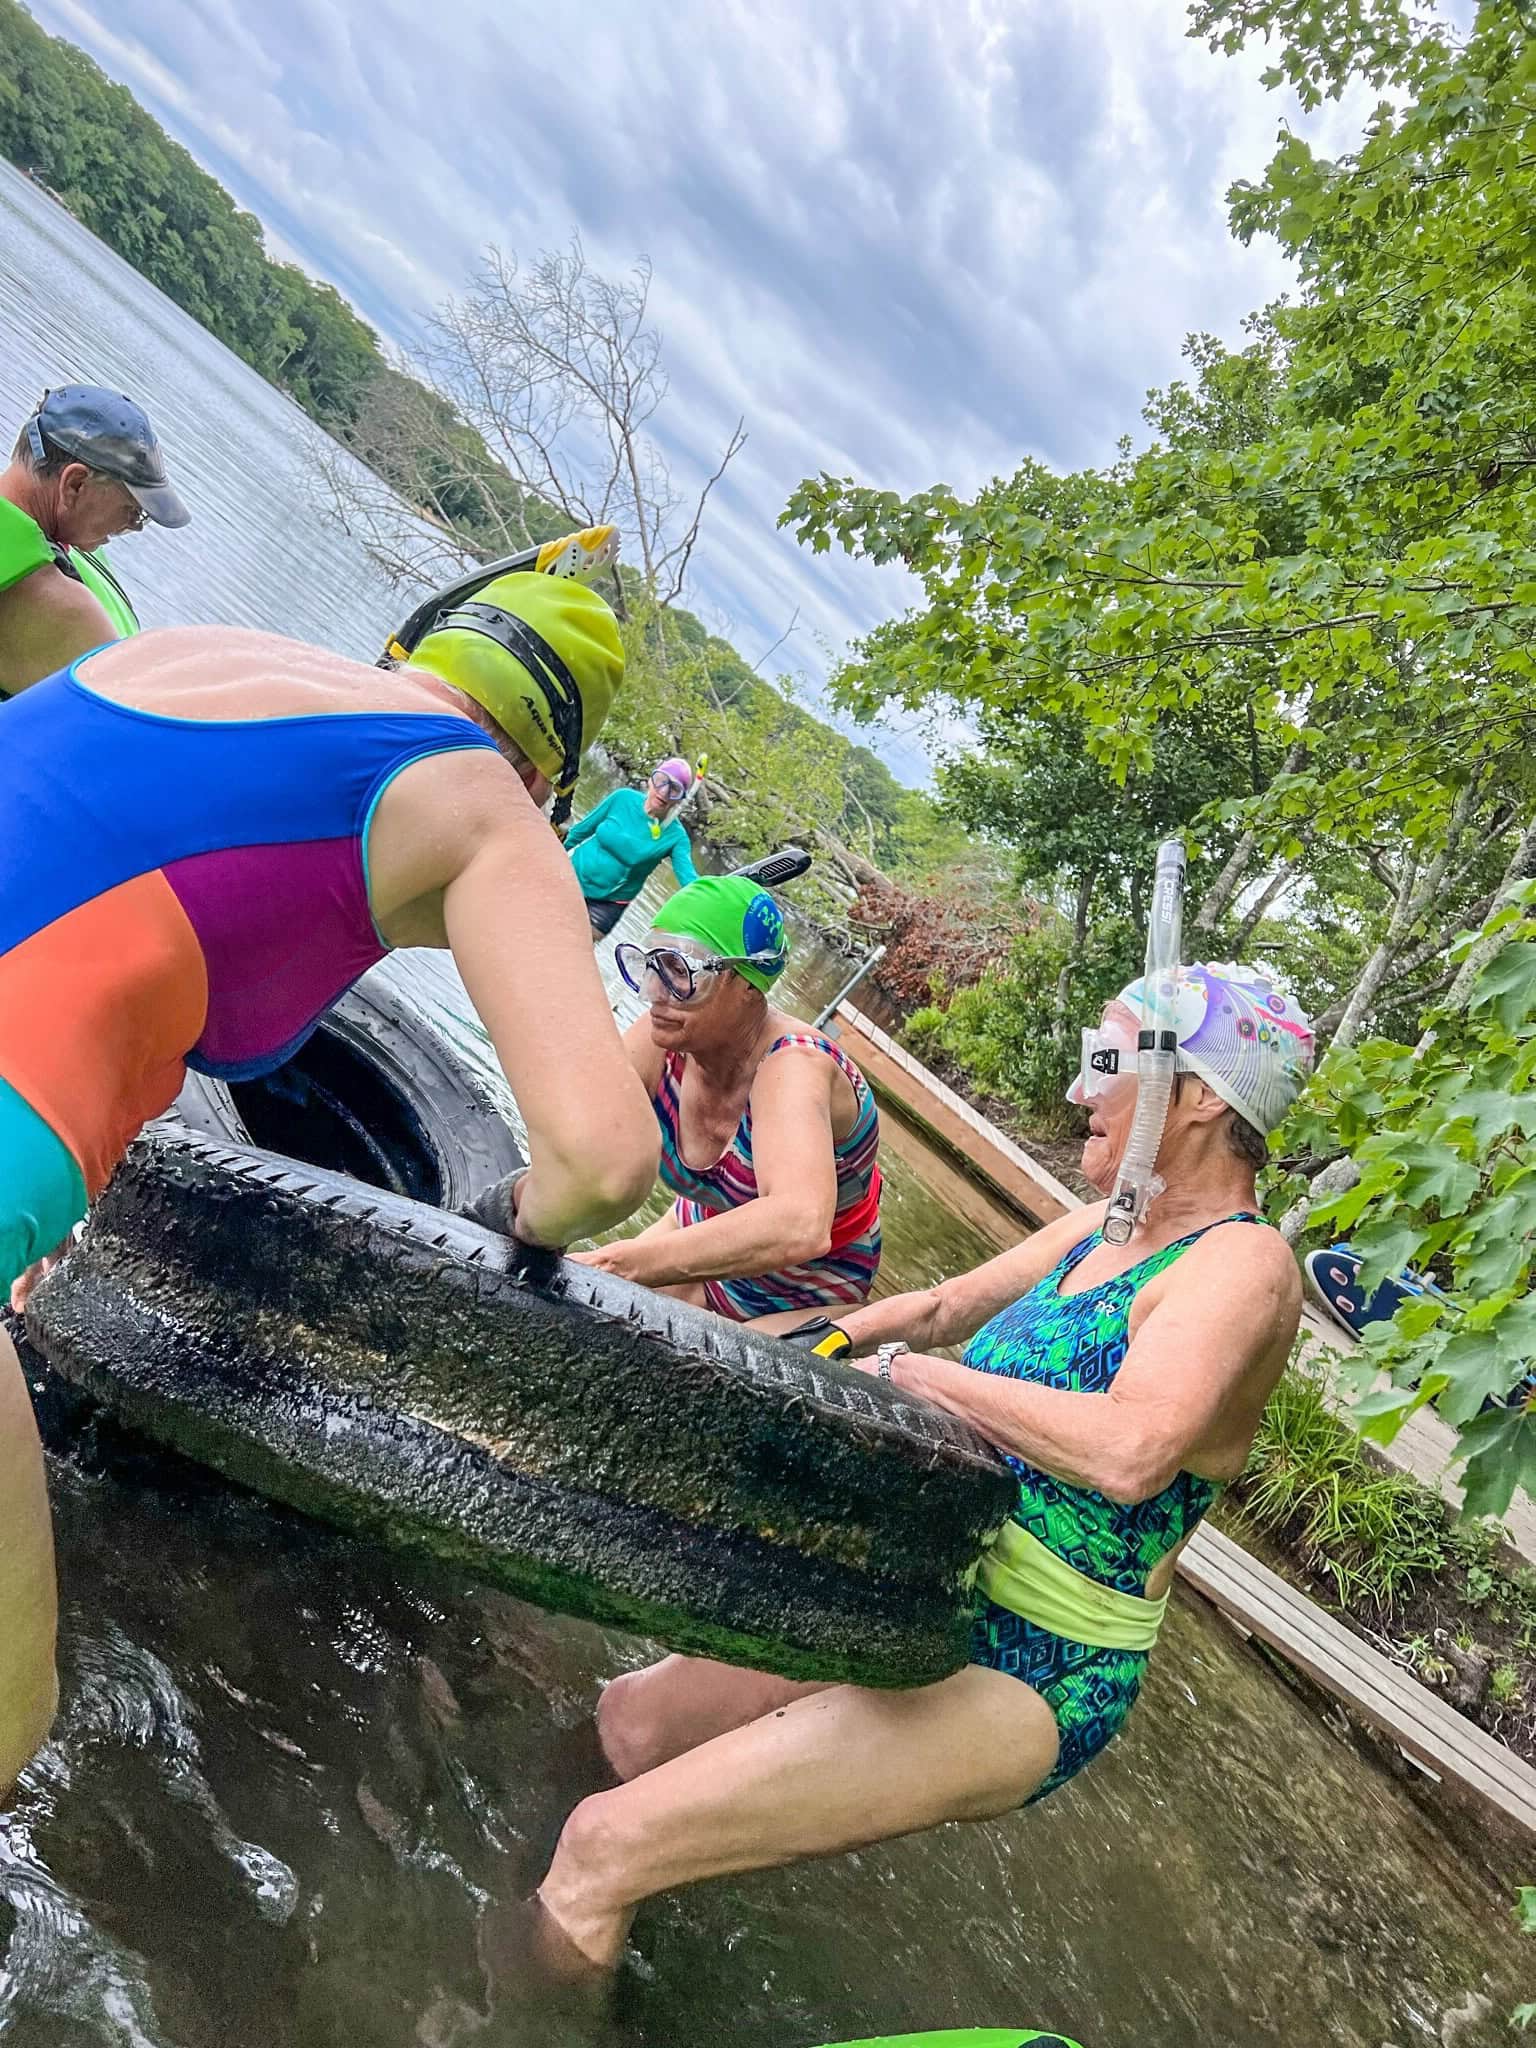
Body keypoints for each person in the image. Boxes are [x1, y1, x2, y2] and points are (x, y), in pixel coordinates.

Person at [0, 570, 661, 1797]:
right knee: (6, 1725)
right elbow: (608, 1158)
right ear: (545, 775)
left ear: (412, 644)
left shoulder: (191, 648)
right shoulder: (484, 807)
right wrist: (499, 1222)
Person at [531, 963, 1313, 1970]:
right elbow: (937, 1307)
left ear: (1199, 1097)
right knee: (631, 1723)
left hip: (1034, 1658)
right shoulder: (1109, 1223)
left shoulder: (1242, 1264)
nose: (1080, 1088)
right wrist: (793, 1343)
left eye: (1108, 1059)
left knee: (603, 1846)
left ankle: (548, 1950)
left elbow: (1133, 1447)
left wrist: (924, 1378)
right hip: (922, 1568)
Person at [569, 874, 882, 1319]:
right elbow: (578, 1131)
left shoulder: (794, 1066)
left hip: (804, 1281)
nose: (653, 995)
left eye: (680, 972)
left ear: (747, 988)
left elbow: (798, 1224)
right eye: (651, 967)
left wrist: (616, 1264)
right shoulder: (665, 1035)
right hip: (705, 1225)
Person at [0, 386, 190, 696]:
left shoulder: (69, 544)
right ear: (74, 485)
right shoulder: (58, 604)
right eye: (133, 510)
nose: (135, 526)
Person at [564, 757, 700, 938]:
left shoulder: (676, 837)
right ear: (651, 780)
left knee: (569, 950)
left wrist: (711, 897)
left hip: (605, 905)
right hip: (570, 875)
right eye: (661, 781)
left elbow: (689, 882)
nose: (664, 792)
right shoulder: (622, 798)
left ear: (680, 798)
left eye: (674, 789)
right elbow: (579, 832)